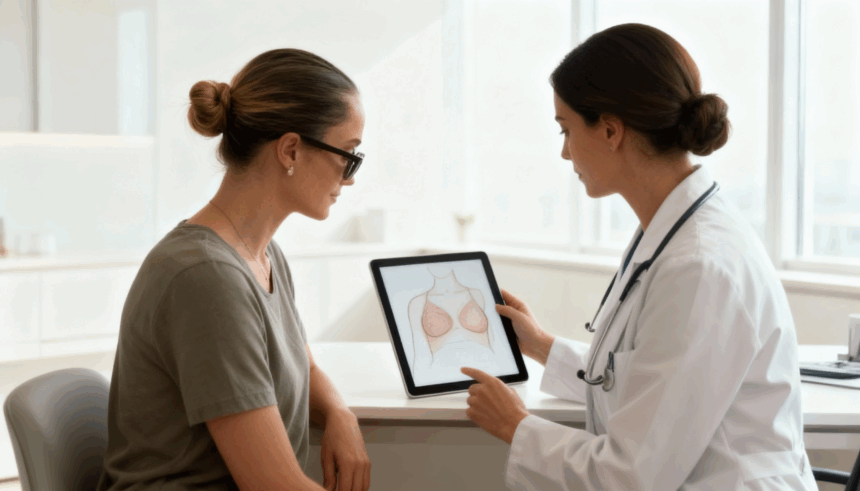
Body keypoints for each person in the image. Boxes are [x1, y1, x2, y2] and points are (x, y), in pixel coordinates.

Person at [461, 23, 817, 490]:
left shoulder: (698, 266)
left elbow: (632, 475)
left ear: (610, 130)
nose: (565, 153)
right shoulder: (674, 234)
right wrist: (541, 346)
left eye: (566, 130)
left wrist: (516, 425)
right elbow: (642, 386)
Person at [97, 49, 371, 491]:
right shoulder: (206, 278)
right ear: (292, 150)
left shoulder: (263, 256)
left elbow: (304, 365)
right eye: (349, 155)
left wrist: (339, 413)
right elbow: (274, 486)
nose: (351, 177)